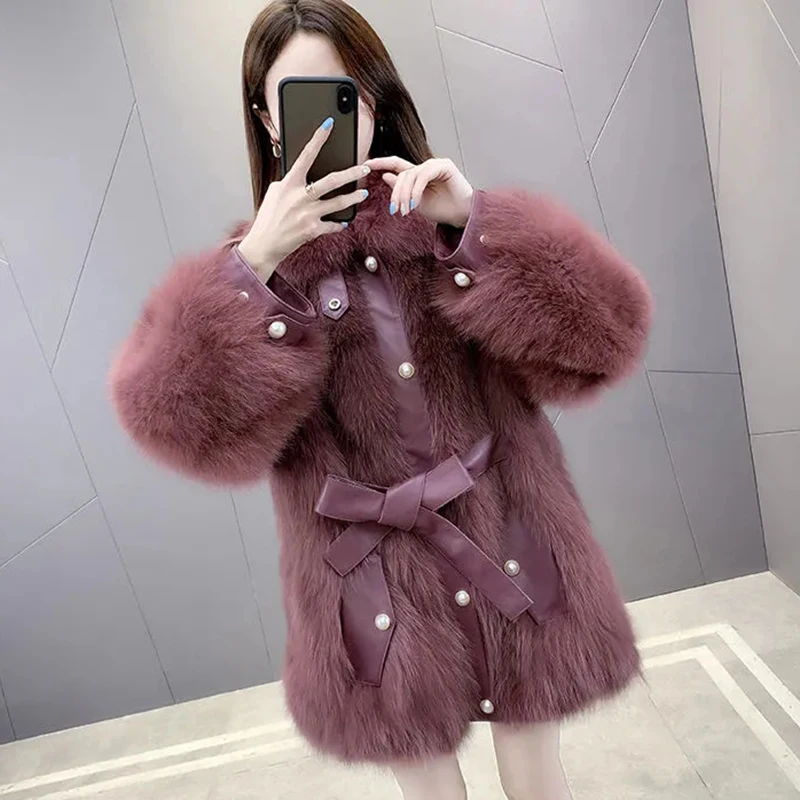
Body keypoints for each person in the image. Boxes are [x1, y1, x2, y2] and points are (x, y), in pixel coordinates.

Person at [109, 1, 652, 798]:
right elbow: (176, 424)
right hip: (370, 586)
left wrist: (476, 227)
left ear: (374, 99)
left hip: (508, 533)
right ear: (267, 120)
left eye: (344, 94)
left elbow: (606, 337)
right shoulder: (253, 274)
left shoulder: (444, 225)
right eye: (299, 99)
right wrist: (252, 271)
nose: (329, 122)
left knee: (539, 781)